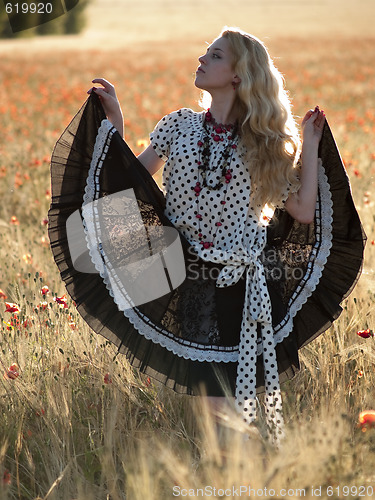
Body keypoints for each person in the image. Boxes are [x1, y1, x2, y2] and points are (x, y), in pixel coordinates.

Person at [48, 27, 365, 444]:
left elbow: (303, 211)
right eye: (206, 53)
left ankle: (241, 480)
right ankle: (231, 479)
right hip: (189, 277)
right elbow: (128, 185)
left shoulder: (266, 143)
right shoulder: (177, 125)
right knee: (213, 406)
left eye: (214, 56)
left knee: (231, 408)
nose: (202, 60)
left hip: (245, 285)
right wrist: (115, 126)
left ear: (238, 75)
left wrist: (307, 144)